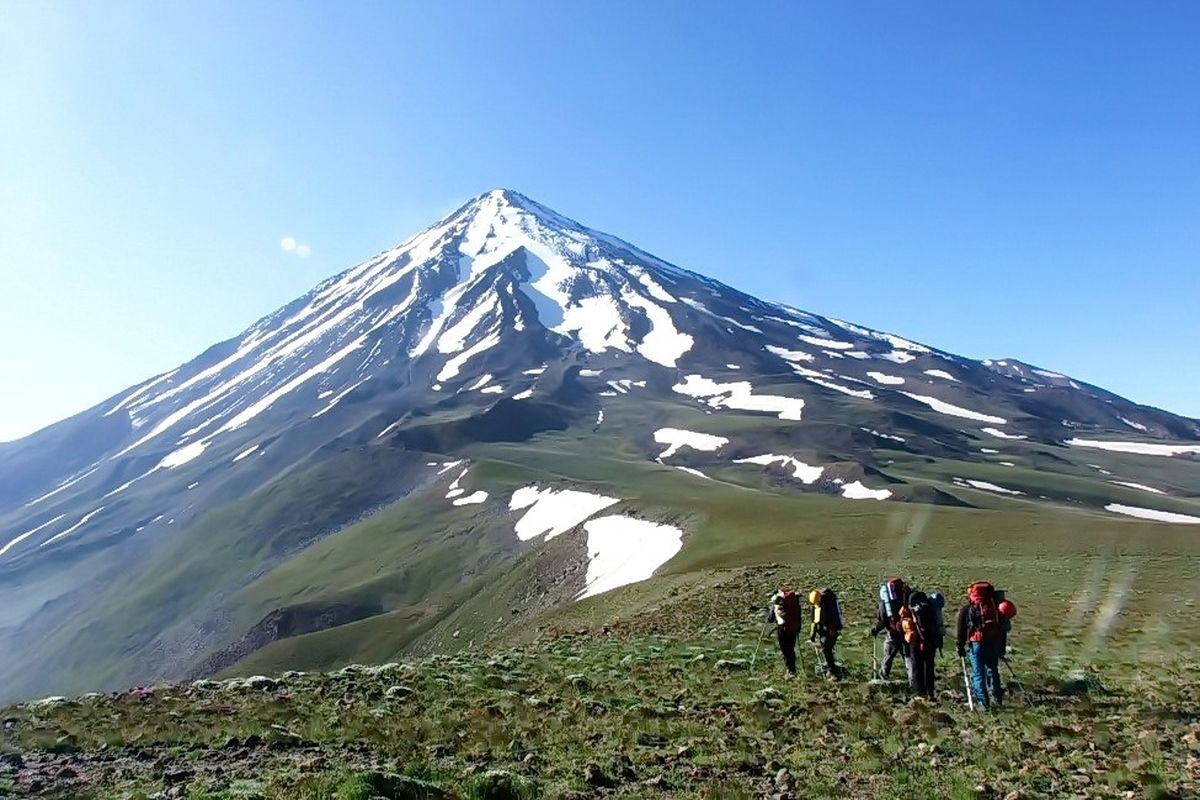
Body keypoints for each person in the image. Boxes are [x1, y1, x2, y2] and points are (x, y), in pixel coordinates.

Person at [956, 581, 1005, 709]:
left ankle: (983, 703)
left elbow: (961, 630)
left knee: (978, 673)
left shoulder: (967, 609)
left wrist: (960, 646)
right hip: (992, 640)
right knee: (992, 670)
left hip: (976, 642)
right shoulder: (992, 605)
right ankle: (996, 698)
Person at [900, 590, 942, 697]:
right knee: (929, 666)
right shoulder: (929, 608)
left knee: (917, 666)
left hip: (916, 641)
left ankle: (918, 691)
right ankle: (930, 690)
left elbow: (901, 625)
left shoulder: (913, 609)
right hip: (930, 641)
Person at [869, 578, 908, 680]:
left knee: (888, 655)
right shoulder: (905, 597)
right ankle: (913, 677)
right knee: (907, 656)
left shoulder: (886, 602)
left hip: (893, 632)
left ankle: (883, 675)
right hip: (906, 631)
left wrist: (876, 629)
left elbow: (883, 620)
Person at [766, 589, 803, 676]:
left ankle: (790, 671)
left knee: (785, 650)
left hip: (782, 629)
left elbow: (770, 619)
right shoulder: (795, 603)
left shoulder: (776, 602)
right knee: (790, 649)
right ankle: (792, 669)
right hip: (793, 629)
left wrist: (771, 611)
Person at [808, 588, 843, 678]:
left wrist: (832, 629)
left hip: (830, 629)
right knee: (826, 648)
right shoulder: (818, 603)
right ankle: (830, 666)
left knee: (826, 648)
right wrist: (813, 633)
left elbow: (832, 618)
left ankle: (832, 671)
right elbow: (815, 619)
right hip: (825, 629)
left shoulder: (828, 603)